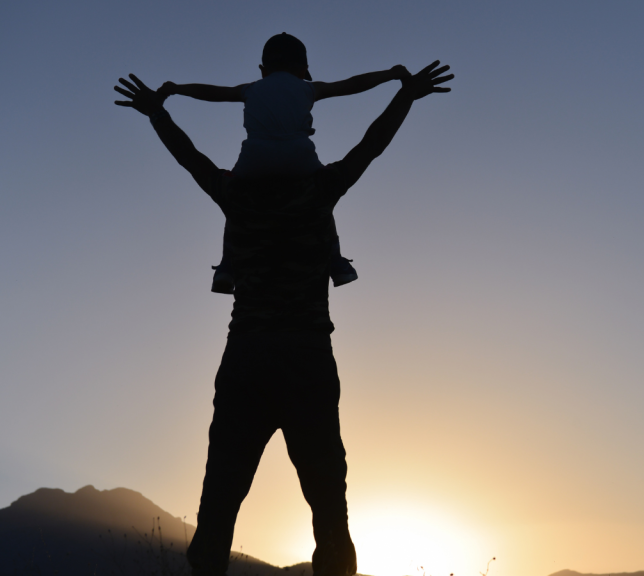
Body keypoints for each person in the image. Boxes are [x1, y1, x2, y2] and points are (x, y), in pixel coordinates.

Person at [113, 60, 452, 576]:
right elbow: (370, 145)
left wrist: (157, 112)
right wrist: (405, 95)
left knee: (220, 503)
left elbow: (191, 158)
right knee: (328, 509)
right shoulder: (319, 190)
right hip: (307, 358)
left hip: (247, 356)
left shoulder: (237, 193)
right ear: (303, 77)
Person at [158, 33, 411, 294]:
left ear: (263, 70)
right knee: (325, 191)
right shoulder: (309, 87)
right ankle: (336, 262)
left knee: (232, 199)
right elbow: (351, 84)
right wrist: (390, 74)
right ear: (303, 69)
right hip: (299, 159)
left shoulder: (251, 89)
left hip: (254, 161)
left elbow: (212, 92)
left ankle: (226, 267)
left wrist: (177, 89)